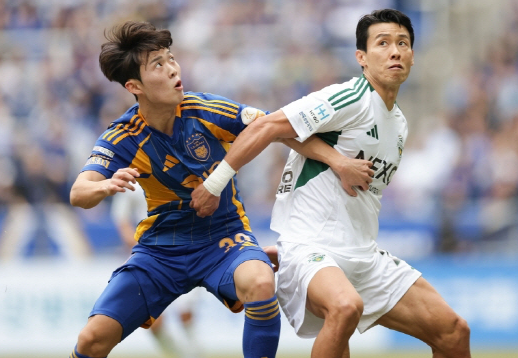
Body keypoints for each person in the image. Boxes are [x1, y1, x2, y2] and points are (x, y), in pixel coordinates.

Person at [69, 21, 372, 358]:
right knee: (91, 341)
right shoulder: (123, 136)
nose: (172, 69)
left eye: (171, 58)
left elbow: (278, 128)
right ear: (134, 85)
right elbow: (79, 193)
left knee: (259, 281)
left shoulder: (206, 110)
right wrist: (106, 185)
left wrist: (338, 162)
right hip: (160, 252)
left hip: (223, 240)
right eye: (158, 64)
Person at [191, 9, 472, 358]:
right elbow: (268, 126)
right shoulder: (349, 98)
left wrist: (335, 160)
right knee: (345, 307)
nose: (395, 51)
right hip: (311, 247)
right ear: (362, 58)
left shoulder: (398, 123)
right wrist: (214, 184)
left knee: (454, 332)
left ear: (413, 56)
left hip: (364, 255)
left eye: (403, 43)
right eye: (382, 43)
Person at [111, 182, 200, 358]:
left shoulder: (180, 169)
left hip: (184, 252)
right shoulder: (133, 182)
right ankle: (174, 354)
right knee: (152, 321)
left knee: (185, 312)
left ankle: (195, 353)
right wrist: (139, 248)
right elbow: (122, 220)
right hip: (150, 256)